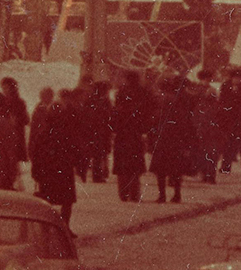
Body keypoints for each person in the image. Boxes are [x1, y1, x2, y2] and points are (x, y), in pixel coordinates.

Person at [29, 89, 77, 229]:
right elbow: (73, 149)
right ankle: (64, 226)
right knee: (66, 201)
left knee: (47, 199)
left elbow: (37, 152)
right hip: (63, 170)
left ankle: (47, 226)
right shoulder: (67, 132)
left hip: (47, 171)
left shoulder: (43, 132)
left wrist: (35, 170)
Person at [149, 78, 196, 204]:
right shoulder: (181, 101)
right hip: (176, 139)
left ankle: (162, 195)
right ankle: (176, 194)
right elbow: (185, 123)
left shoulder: (163, 100)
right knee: (176, 169)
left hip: (163, 138)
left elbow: (154, 120)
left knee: (160, 170)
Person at [111, 74, 148, 202]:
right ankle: (134, 193)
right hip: (134, 137)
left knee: (122, 167)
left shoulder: (120, 101)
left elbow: (113, 121)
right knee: (134, 167)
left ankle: (123, 193)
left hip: (122, 137)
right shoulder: (141, 94)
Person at [82, 81, 113, 184]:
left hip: (92, 130)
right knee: (99, 154)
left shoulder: (89, 100)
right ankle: (98, 175)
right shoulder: (105, 101)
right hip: (101, 131)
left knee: (94, 154)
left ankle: (87, 174)